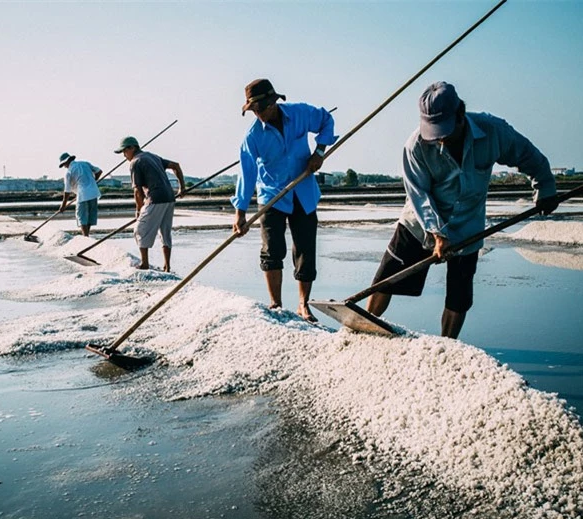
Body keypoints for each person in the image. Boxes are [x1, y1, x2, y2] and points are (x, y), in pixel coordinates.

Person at [366, 81, 560, 339]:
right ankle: (365, 330)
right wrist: (437, 233)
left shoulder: (493, 131)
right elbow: (418, 195)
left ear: (461, 115)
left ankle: (448, 344)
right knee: (387, 278)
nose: (441, 139)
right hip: (420, 222)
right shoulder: (415, 146)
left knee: (460, 295)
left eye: (445, 130)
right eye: (435, 133)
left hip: (468, 225)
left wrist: (545, 187)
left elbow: (528, 156)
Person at [232, 78, 337, 322]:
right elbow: (246, 174)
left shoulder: (300, 113)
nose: (257, 115)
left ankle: (303, 305)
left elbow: (326, 121)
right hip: (272, 196)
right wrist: (240, 212)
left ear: (273, 103)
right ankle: (276, 305)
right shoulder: (253, 137)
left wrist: (319, 153)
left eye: (260, 109)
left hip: (303, 191)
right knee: (272, 250)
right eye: (253, 111)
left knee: (305, 249)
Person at [114, 136, 185, 272]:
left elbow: (137, 191)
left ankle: (144, 263)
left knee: (139, 230)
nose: (124, 155)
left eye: (124, 151)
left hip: (155, 198)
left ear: (132, 148)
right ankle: (167, 266)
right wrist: (182, 188)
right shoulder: (152, 156)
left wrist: (139, 210)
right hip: (169, 197)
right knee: (165, 232)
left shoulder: (135, 162)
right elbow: (175, 165)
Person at [57, 152, 102, 237]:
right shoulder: (85, 163)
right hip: (94, 193)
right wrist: (94, 182)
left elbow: (67, 191)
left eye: (64, 164)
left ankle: (85, 236)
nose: (64, 166)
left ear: (67, 161)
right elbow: (99, 171)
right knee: (89, 216)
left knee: (81, 216)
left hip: (82, 194)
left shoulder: (69, 172)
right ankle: (87, 235)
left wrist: (63, 205)